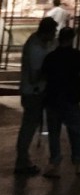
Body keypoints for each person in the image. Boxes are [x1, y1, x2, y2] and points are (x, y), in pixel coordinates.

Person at [40, 27, 80, 178]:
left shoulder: (51, 56)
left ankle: (54, 163)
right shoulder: (77, 55)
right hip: (71, 97)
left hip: (53, 98)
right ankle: (78, 162)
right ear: (71, 39)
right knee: (75, 131)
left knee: (54, 133)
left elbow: (44, 75)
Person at [14, 16, 58, 176]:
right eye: (53, 32)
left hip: (33, 91)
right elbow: (34, 76)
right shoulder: (36, 48)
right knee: (29, 126)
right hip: (33, 91)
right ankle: (22, 161)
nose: (54, 36)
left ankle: (23, 159)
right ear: (47, 32)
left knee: (29, 125)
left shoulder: (36, 41)